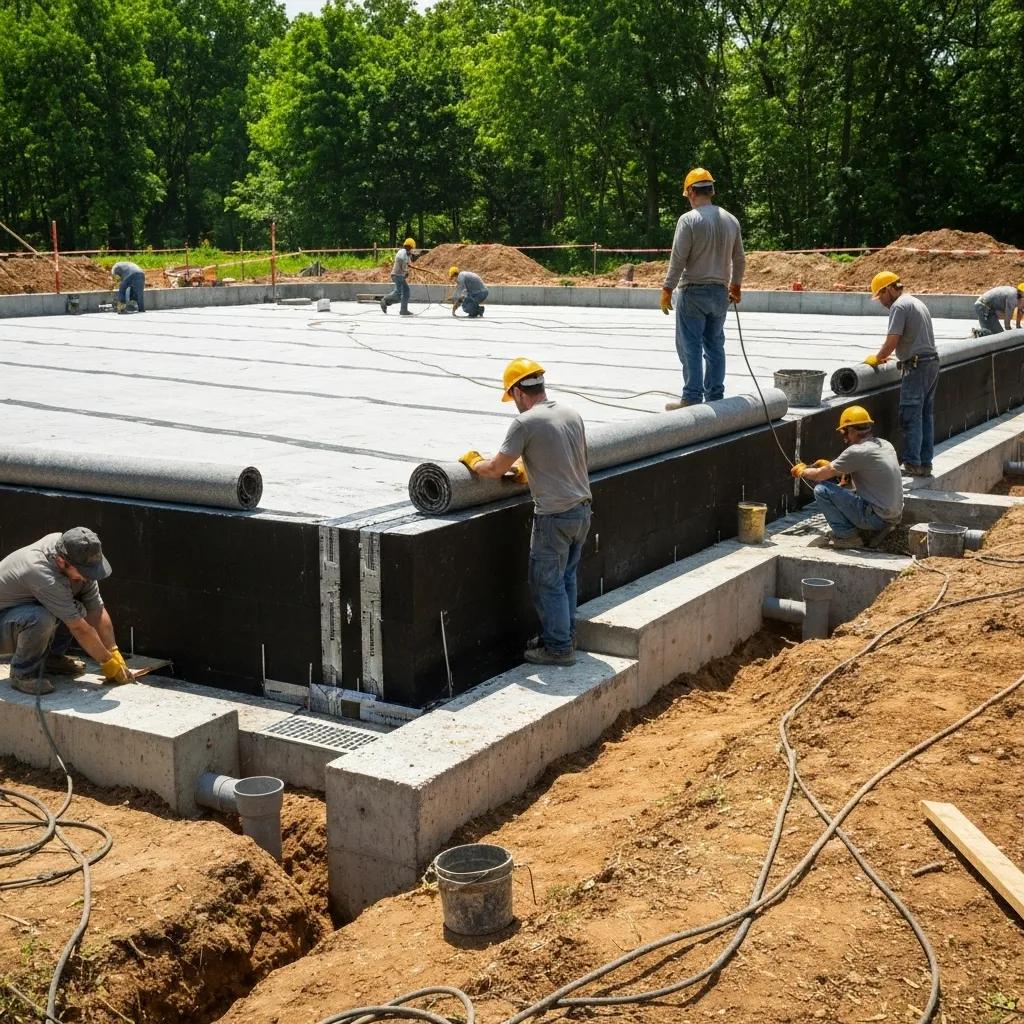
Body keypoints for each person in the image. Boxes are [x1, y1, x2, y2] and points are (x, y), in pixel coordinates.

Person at [458, 358, 591, 667]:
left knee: (547, 582)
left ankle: (558, 648)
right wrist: (527, 470)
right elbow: (572, 459)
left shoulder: (525, 422)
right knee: (566, 578)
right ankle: (565, 636)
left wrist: (473, 461)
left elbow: (494, 469)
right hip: (581, 512)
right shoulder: (570, 413)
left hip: (554, 516)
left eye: (511, 397)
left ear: (518, 391)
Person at [0, 528, 136, 695]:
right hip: (5, 621)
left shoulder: (71, 549)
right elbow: (78, 627)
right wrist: (107, 661)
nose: (89, 577)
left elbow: (96, 610)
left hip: (23, 612)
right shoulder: (41, 572)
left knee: (74, 605)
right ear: (61, 562)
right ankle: (22, 674)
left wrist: (113, 650)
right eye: (85, 572)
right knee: (41, 617)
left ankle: (51, 659)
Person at [660, 167, 745, 410]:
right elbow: (739, 259)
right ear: (711, 190)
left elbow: (678, 259)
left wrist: (667, 289)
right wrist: (735, 286)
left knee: (691, 345)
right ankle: (716, 396)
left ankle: (692, 397)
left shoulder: (689, 220)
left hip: (693, 292)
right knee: (715, 345)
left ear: (690, 192)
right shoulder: (731, 220)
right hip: (720, 294)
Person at [791, 406, 903, 550]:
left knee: (822, 490)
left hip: (876, 518)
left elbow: (819, 475)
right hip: (893, 515)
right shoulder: (885, 445)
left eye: (845, 433)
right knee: (840, 489)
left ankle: (847, 537)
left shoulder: (856, 451)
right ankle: (866, 529)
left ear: (852, 430)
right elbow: (867, 481)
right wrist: (844, 474)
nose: (845, 439)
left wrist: (803, 471)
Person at [863, 271, 939, 477]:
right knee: (925, 416)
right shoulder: (915, 302)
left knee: (911, 415)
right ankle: (924, 464)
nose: (881, 302)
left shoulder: (899, 306)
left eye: (880, 296)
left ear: (888, 289)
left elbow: (892, 340)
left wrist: (877, 358)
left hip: (917, 367)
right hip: (930, 363)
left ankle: (913, 463)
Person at [380, 238, 418, 316]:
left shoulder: (407, 254)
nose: (411, 249)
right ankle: (384, 300)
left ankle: (403, 310)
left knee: (406, 292)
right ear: (408, 246)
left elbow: (408, 264)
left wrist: (407, 269)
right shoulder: (402, 252)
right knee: (398, 293)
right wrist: (405, 270)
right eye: (411, 248)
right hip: (397, 275)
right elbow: (401, 260)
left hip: (400, 276)